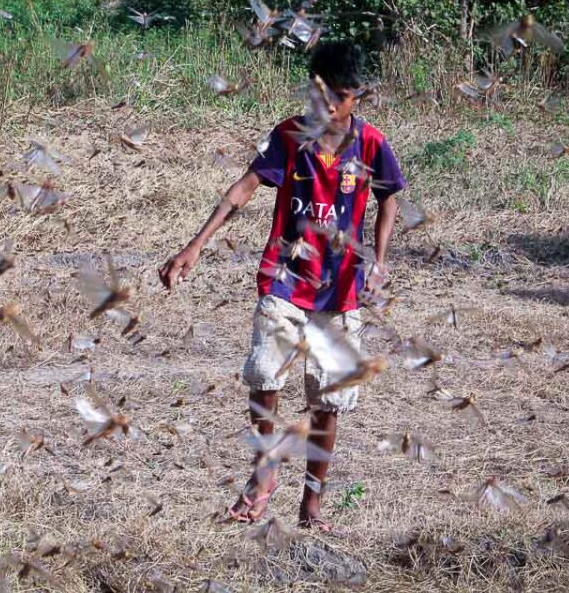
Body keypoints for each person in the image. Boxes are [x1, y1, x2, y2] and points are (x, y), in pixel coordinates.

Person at [157, 40, 406, 531]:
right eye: (322, 94)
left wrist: (379, 261)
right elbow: (244, 188)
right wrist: (195, 245)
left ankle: (312, 505)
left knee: (329, 401)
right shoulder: (290, 136)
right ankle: (265, 466)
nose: (330, 106)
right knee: (263, 375)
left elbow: (390, 198)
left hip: (340, 291)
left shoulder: (373, 144)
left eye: (340, 96)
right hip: (285, 279)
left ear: (358, 96)